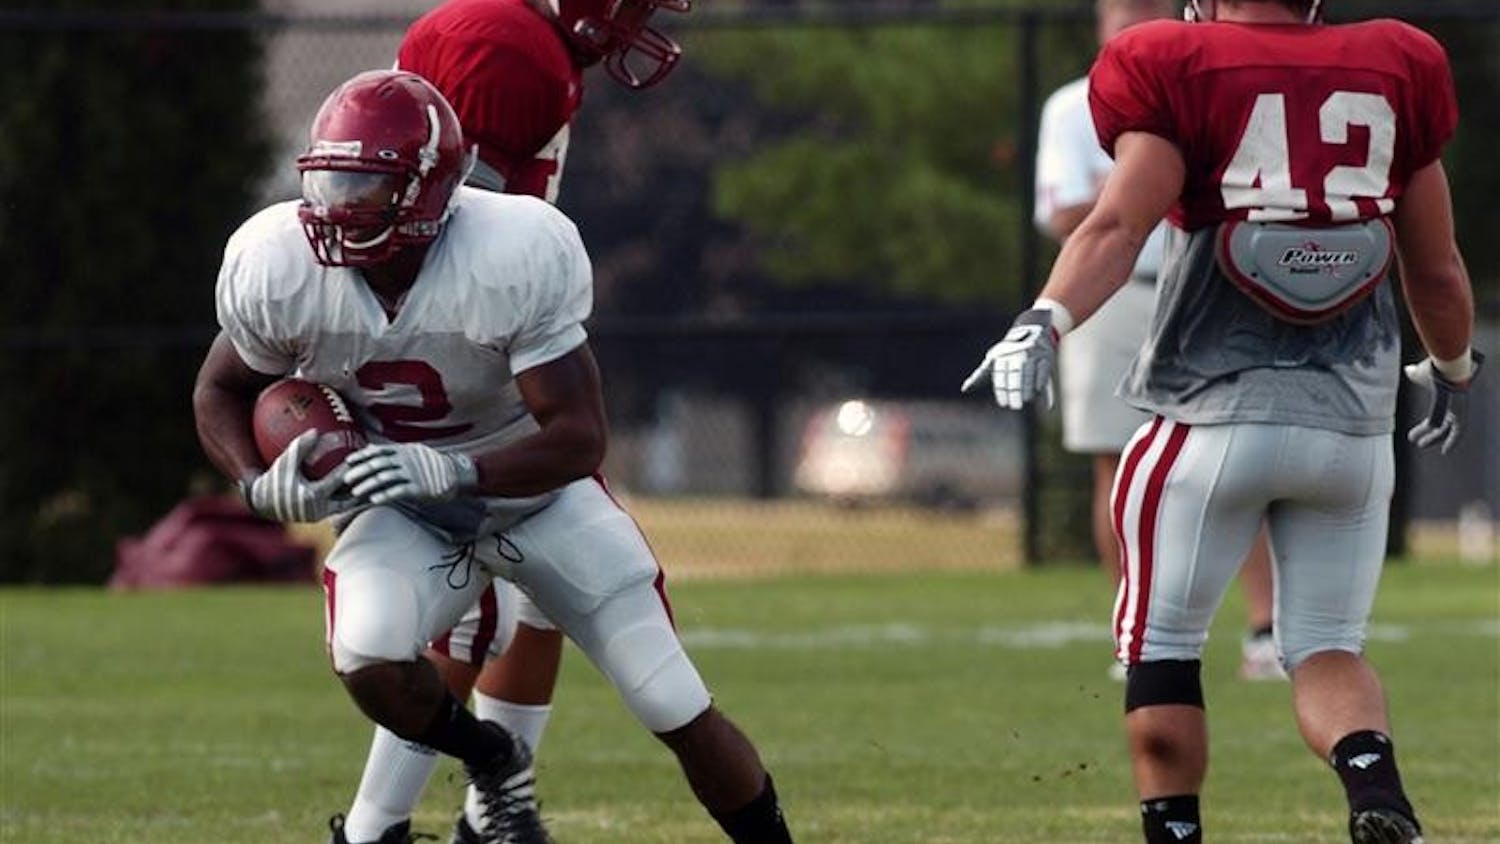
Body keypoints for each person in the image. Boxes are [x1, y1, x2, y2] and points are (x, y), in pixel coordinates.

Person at [193, 69, 793, 844]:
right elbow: (220, 390)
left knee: (669, 701)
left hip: (535, 497)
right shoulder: (278, 263)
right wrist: (255, 483)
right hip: (408, 509)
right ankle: (489, 756)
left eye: (366, 185)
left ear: (427, 191)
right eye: (331, 180)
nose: (339, 207)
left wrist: (461, 469)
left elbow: (580, 437)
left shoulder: (508, 251)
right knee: (367, 653)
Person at [964, 1, 1481, 841]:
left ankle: (1176, 830)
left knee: (1161, 650)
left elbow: (1117, 223)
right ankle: (1376, 792)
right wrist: (1454, 371)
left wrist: (1043, 320)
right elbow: (1439, 267)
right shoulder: (1397, 63)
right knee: (1325, 647)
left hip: (1210, 415)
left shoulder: (1173, 61)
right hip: (1350, 430)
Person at [322, 2, 690, 842]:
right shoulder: (504, 42)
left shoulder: (532, 40)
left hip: (491, 346)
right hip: (472, 365)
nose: (640, 14)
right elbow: (449, 222)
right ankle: (379, 830)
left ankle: (491, 818)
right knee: (472, 608)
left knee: (538, 599)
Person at [1034, 0, 1282, 683]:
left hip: (1207, 286)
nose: (1131, 19)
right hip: (1116, 293)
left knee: (1240, 458)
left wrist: (1140, 186)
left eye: (1144, 5)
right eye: (1118, 9)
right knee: (1116, 465)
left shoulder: (1212, 83)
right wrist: (1153, 183)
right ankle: (1134, 631)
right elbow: (1067, 214)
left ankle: (1267, 629)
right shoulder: (1072, 105)